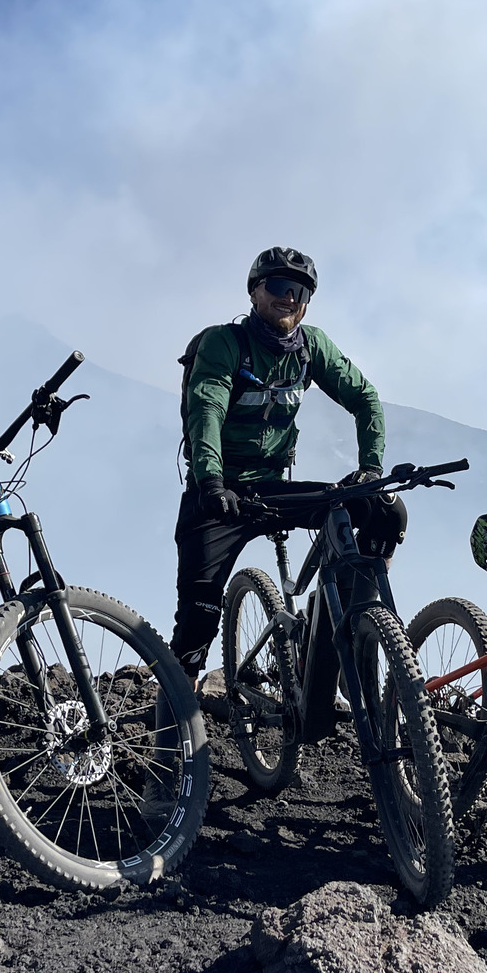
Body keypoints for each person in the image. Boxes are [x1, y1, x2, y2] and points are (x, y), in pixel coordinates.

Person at [171, 247, 405, 693]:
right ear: (255, 293)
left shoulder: (311, 346)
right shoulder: (225, 343)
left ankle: (341, 627)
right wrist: (211, 480)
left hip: (277, 489)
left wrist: (370, 470)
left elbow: (365, 398)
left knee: (385, 514)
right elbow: (207, 407)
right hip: (220, 491)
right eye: (278, 287)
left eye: (298, 291)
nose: (288, 298)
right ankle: (175, 723)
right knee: (197, 619)